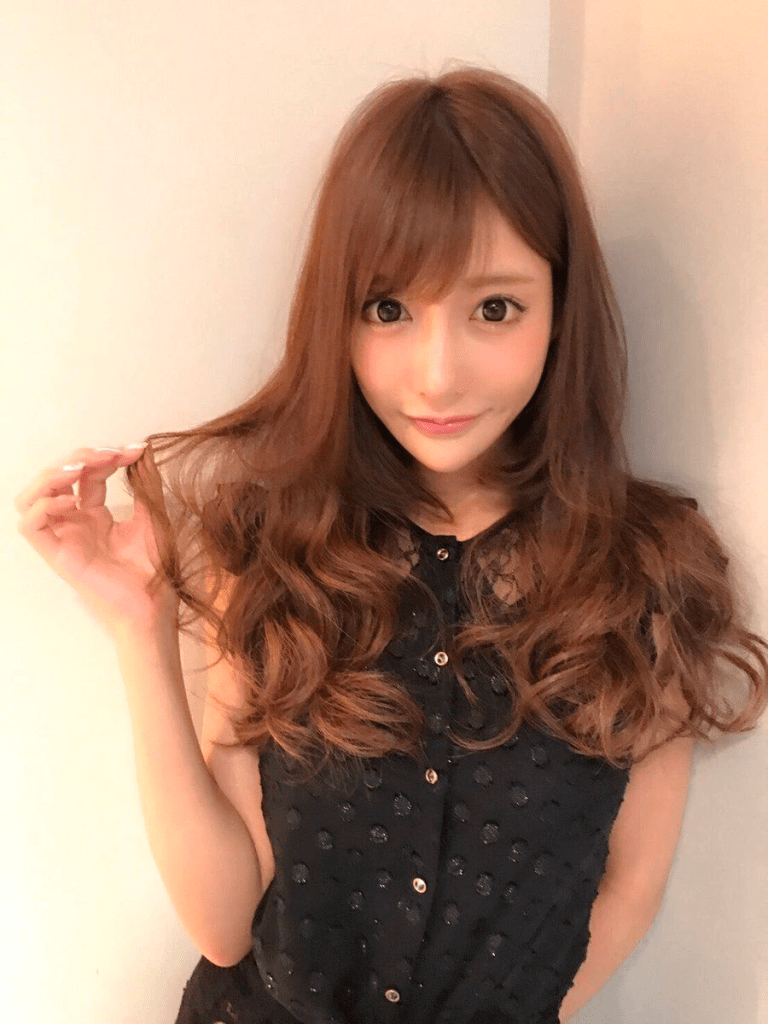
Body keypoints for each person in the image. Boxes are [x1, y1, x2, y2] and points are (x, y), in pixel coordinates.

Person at [14, 64, 768, 1024]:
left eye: (494, 309)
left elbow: (628, 887)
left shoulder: (647, 571)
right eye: (388, 310)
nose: (437, 375)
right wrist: (140, 629)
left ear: (560, 309)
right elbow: (226, 926)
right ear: (339, 316)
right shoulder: (276, 545)